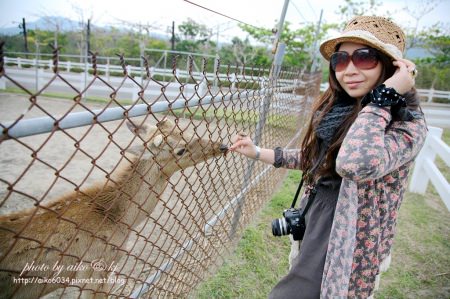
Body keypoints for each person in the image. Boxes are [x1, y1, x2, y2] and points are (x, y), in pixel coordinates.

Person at [229, 16, 427, 298]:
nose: (349, 70)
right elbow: (321, 160)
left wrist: (386, 96)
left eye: (364, 57)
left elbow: (354, 163)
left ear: (391, 66)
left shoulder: (406, 123)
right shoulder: (345, 107)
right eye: (341, 60)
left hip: (349, 228)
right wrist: (258, 152)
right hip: (317, 210)